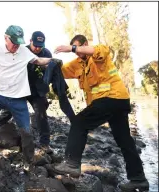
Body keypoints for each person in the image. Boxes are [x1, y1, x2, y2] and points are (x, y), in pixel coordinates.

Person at [52, 34, 149, 191]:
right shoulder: (77, 64)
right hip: (113, 104)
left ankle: (71, 163)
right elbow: (59, 71)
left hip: (112, 98)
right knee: (125, 141)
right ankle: (138, 179)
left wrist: (71, 48)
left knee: (79, 122)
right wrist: (42, 63)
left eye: (78, 48)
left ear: (85, 44)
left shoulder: (99, 52)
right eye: (74, 51)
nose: (77, 53)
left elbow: (94, 51)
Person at [0, 25, 61, 167]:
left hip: (19, 98)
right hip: (0, 95)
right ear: (6, 38)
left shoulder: (24, 51)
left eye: (19, 42)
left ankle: (28, 163)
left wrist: (51, 60)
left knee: (27, 132)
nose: (16, 46)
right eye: (14, 42)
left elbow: (38, 60)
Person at [0, 31, 75, 154]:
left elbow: (48, 69)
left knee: (41, 115)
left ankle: (44, 144)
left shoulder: (46, 53)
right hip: (20, 88)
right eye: (35, 45)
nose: (37, 48)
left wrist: (51, 67)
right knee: (7, 112)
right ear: (30, 41)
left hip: (37, 91)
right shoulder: (21, 51)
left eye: (40, 46)